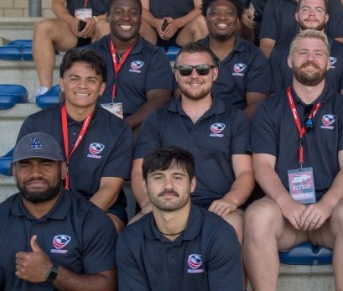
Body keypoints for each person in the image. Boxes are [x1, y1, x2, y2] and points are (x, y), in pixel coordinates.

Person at [244, 29, 343, 290]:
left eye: (318, 54)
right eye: (302, 53)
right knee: (256, 215)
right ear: (289, 61)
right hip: (285, 215)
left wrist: (327, 205)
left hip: (330, 214)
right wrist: (286, 203)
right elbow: (262, 166)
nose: (310, 58)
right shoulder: (269, 108)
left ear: (328, 62)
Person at [132, 43, 254, 242]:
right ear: (176, 75)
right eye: (186, 70)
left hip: (217, 207)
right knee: (134, 229)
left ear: (214, 74)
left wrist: (230, 200)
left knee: (233, 226)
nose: (194, 76)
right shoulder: (156, 119)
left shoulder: (235, 118)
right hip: (167, 203)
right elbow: (139, 172)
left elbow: (246, 173)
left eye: (203, 70)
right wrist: (147, 203)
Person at [18, 48, 134, 232]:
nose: (82, 86)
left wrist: (73, 222)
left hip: (98, 209)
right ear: (62, 84)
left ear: (102, 88)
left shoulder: (119, 129)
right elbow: (25, 177)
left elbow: (110, 190)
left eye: (91, 80)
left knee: (106, 228)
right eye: (74, 78)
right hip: (44, 206)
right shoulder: (35, 123)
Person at [0, 132, 117, 291]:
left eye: (46, 164)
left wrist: (51, 272)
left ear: (63, 170)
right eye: (25, 165)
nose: (36, 173)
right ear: (14, 171)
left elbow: (107, 286)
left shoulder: (91, 220)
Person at [117, 147, 243, 290]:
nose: (168, 185)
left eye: (177, 177)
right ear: (145, 187)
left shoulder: (220, 234)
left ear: (192, 184)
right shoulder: (130, 239)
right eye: (158, 177)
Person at [87, 0, 173, 130]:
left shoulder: (155, 55)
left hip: (136, 127)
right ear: (108, 17)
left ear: (140, 19)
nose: (126, 17)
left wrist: (124, 126)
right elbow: (69, 94)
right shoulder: (89, 54)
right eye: (118, 12)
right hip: (93, 125)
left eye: (133, 13)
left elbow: (159, 99)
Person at [268, 0, 343, 99]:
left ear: (326, 18)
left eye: (318, 10)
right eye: (306, 9)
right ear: (297, 16)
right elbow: (274, 101)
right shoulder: (279, 53)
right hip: (288, 114)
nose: (312, 14)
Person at [196, 0, 270, 120]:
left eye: (229, 13)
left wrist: (230, 128)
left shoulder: (254, 55)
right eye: (215, 13)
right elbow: (182, 98)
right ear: (205, 19)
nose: (222, 17)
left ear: (237, 20)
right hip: (196, 127)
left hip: (239, 127)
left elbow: (256, 103)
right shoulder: (192, 54)